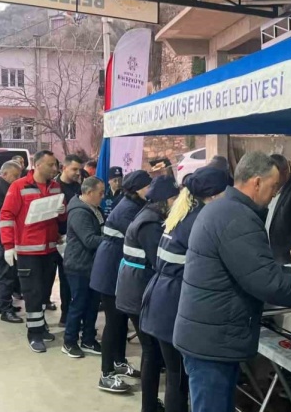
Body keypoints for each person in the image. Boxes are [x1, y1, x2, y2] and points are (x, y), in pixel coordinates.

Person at [173, 152, 291, 412]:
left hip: (210, 336)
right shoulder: (237, 218)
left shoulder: (223, 208)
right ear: (256, 182)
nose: (274, 194)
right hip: (213, 340)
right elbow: (267, 284)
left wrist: (288, 273)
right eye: (273, 187)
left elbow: (248, 265)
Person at [140, 167, 229, 412]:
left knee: (173, 375)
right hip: (171, 303)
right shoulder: (200, 220)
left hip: (159, 298)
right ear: (213, 195)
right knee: (178, 379)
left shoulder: (182, 214)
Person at [116, 175, 180, 411]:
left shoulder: (151, 216)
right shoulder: (150, 223)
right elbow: (160, 261)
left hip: (137, 288)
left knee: (152, 352)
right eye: (175, 198)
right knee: (152, 352)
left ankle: (150, 404)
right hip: (137, 291)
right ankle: (149, 405)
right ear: (165, 200)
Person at [91, 170, 151, 392]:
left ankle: (119, 361)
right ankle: (106, 374)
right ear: (137, 189)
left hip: (117, 268)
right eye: (148, 186)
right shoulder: (127, 210)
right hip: (110, 271)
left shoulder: (132, 205)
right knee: (114, 323)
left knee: (121, 322)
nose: (151, 191)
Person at [1, 150, 65, 353]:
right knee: (33, 293)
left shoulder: (55, 187)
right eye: (50, 165)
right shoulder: (19, 187)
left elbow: (58, 218)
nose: (55, 169)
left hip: (50, 249)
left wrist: (62, 214)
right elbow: (6, 216)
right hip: (29, 252)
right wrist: (8, 246)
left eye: (55, 165)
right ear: (37, 165)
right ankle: (34, 333)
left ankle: (41, 326)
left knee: (44, 293)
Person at [62, 177, 106, 358]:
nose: (103, 196)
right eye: (100, 193)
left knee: (92, 304)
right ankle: (69, 341)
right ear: (88, 193)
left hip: (92, 265)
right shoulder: (80, 212)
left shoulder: (93, 208)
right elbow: (89, 240)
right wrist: (113, 240)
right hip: (79, 266)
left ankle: (88, 339)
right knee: (78, 305)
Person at [0, 161, 24, 323]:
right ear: (5, 173)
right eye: (15, 176)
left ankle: (2, 304)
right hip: (0, 237)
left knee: (8, 272)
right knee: (5, 273)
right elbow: (2, 212)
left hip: (3, 236)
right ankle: (5, 309)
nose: (17, 179)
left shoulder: (4, 187)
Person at [55, 154, 84, 319]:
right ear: (64, 168)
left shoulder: (77, 187)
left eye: (79, 170)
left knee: (70, 276)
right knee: (62, 277)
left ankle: (71, 312)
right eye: (74, 169)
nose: (77, 173)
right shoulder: (54, 186)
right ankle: (65, 313)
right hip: (57, 238)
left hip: (74, 239)